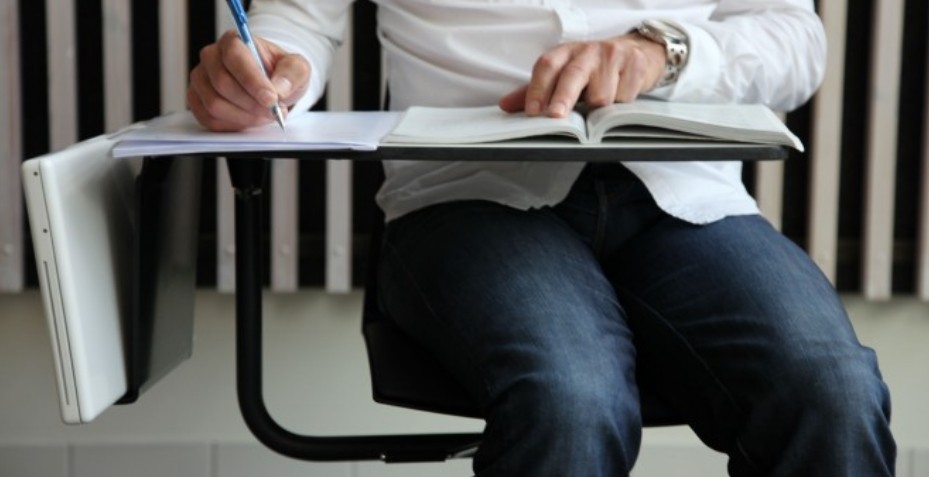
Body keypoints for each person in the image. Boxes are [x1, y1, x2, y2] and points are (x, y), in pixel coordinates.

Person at [188, 0, 897, 475]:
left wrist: (667, 52)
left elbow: (794, 37)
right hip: (466, 193)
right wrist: (270, 70)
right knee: (567, 393)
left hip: (683, 193)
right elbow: (299, 19)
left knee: (830, 388)